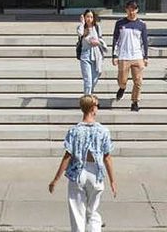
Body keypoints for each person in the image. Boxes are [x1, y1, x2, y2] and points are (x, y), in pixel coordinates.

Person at [48, 94, 116, 232]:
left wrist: (56, 179)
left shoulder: (74, 131)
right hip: (95, 174)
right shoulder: (103, 131)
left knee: (77, 213)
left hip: (77, 173)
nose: (98, 108)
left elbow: (67, 156)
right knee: (93, 212)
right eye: (97, 106)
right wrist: (112, 180)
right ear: (92, 109)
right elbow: (107, 157)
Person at [111, 1, 150, 111]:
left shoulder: (141, 25)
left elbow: (144, 41)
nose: (131, 11)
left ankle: (135, 102)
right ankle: (122, 88)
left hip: (137, 56)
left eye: (134, 9)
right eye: (129, 9)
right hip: (124, 56)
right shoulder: (120, 23)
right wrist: (114, 55)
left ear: (137, 10)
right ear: (126, 10)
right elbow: (115, 39)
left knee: (138, 81)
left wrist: (145, 57)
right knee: (122, 80)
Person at [76, 10, 105, 95]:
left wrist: (97, 42)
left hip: (96, 55)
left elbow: (101, 39)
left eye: (91, 17)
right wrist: (82, 23)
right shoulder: (81, 27)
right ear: (84, 17)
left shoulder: (97, 27)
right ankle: (87, 100)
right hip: (85, 55)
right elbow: (80, 33)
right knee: (88, 80)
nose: (89, 19)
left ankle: (90, 96)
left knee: (94, 79)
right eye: (87, 16)